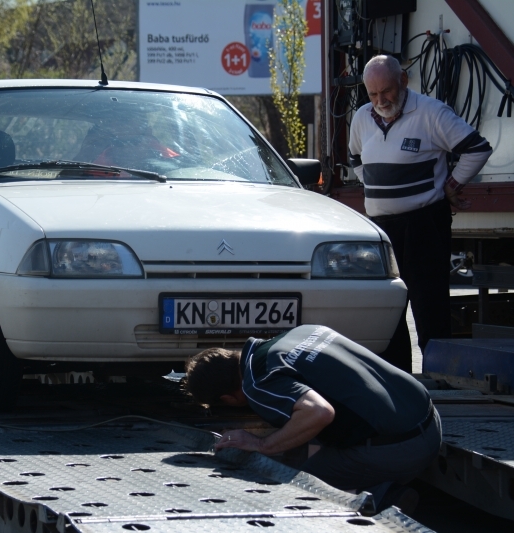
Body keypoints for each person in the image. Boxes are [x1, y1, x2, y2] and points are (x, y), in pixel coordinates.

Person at [184, 324, 441, 514]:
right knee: (304, 442)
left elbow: (320, 412)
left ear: (228, 398)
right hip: (429, 419)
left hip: (405, 448)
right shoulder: (298, 333)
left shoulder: (257, 384)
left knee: (293, 483)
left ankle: (383, 498)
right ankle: (380, 479)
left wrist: (261, 444)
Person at [348, 55, 493, 372]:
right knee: (388, 309)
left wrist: (452, 184)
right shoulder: (361, 117)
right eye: (372, 94)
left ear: (403, 82)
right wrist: (380, 190)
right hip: (381, 230)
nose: (380, 101)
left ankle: (440, 381)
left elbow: (478, 149)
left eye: (386, 91)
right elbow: (356, 161)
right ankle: (397, 378)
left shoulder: (431, 112)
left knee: (429, 307)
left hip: (423, 224)